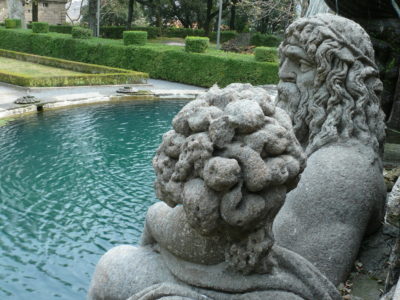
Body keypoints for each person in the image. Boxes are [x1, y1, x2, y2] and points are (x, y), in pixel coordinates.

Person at [273, 13, 387, 285]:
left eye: (300, 63)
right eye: (285, 59)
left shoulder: (338, 170)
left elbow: (299, 285)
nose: (283, 72)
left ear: (343, 80)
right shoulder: (310, 144)